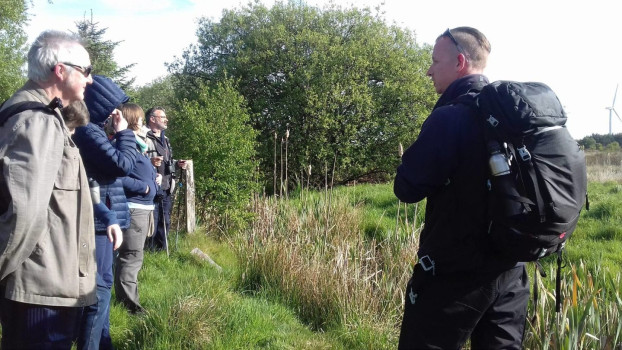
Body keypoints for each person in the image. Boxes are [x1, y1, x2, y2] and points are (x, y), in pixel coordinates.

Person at [394, 27, 530, 349]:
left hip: (454, 274)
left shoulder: (450, 117)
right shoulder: (515, 117)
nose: (429, 70)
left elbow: (406, 188)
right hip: (511, 271)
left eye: (434, 61)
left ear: (459, 62)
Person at [0, 30, 96, 349]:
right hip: (38, 291)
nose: (90, 80)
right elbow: (23, 215)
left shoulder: (47, 116)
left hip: (48, 286)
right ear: (60, 70)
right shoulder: (36, 121)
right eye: (86, 71)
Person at [73, 75, 137, 350]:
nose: (117, 113)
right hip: (99, 220)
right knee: (98, 289)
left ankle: (104, 343)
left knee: (104, 286)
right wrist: (124, 133)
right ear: (99, 104)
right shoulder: (88, 131)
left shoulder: (95, 129)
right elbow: (122, 165)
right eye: (113, 106)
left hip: (105, 216)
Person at [115, 103, 160, 314]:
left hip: (143, 208)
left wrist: (154, 179)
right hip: (133, 208)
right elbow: (117, 177)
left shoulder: (137, 146)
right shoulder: (127, 145)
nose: (143, 123)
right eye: (141, 120)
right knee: (131, 257)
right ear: (133, 121)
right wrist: (144, 187)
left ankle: (128, 302)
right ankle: (130, 307)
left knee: (134, 256)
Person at [144, 107, 186, 252]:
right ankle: (148, 252)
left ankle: (161, 252)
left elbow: (166, 161)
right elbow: (137, 160)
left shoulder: (165, 139)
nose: (166, 120)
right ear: (152, 119)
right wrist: (150, 162)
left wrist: (177, 164)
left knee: (165, 221)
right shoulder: (144, 137)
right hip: (152, 186)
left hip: (167, 186)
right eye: (163, 117)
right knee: (152, 221)